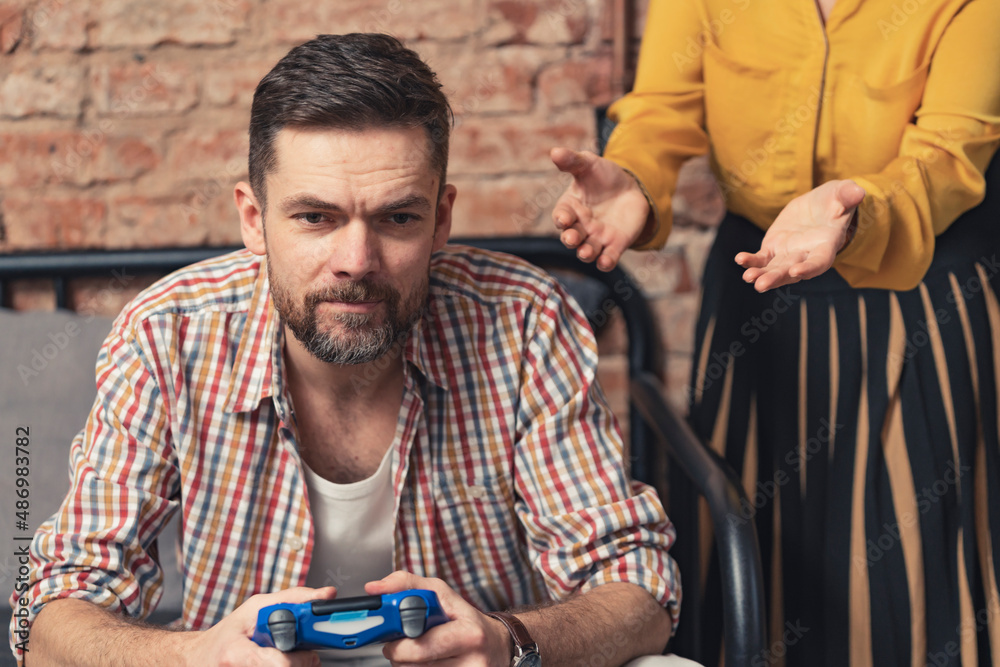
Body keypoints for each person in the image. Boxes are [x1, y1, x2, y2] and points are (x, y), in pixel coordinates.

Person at [7, 33, 693, 667]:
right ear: (254, 218)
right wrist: (193, 656)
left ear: (441, 217)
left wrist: (509, 639)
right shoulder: (166, 334)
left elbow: (637, 583)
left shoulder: (523, 320)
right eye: (315, 217)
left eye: (397, 217)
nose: (356, 261)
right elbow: (51, 614)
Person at [548, 0, 1000, 665]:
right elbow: (661, 111)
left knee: (921, 562)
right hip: (760, 292)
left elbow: (948, 156)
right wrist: (635, 177)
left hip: (923, 288)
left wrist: (854, 215)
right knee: (752, 548)